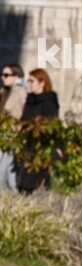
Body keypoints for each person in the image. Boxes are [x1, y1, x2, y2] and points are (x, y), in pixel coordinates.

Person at [17, 68, 60, 194]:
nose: (29, 84)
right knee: (22, 181)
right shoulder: (30, 99)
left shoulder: (49, 100)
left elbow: (53, 125)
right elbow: (24, 120)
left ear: (42, 83)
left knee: (37, 181)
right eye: (28, 81)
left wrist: (57, 147)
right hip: (27, 144)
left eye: (32, 81)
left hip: (41, 146)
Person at [0, 63, 26, 191]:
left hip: (12, 135)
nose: (3, 78)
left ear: (16, 76)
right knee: (7, 169)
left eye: (6, 75)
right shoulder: (4, 92)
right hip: (3, 134)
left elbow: (24, 114)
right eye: (2, 75)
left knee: (6, 168)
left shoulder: (21, 92)